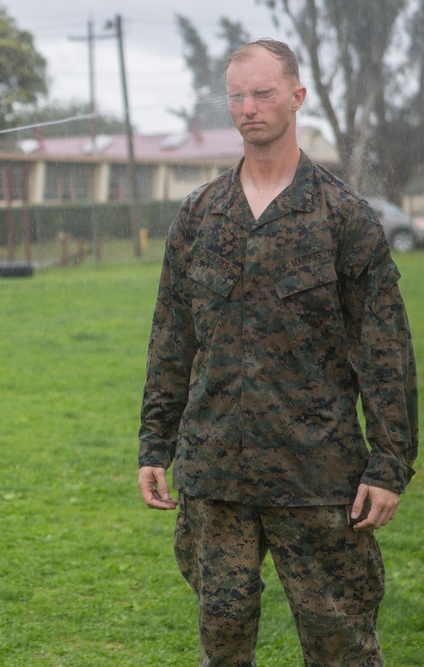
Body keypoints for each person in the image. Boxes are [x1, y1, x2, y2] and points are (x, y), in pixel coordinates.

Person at [137, 38, 417, 666]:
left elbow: (385, 352)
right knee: (224, 647)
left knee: (342, 650)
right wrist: (155, 444)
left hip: (317, 477)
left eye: (263, 93)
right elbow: (171, 339)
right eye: (236, 96)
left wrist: (389, 463)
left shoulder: (344, 217)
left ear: (297, 97)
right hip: (216, 477)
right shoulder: (200, 215)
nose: (248, 108)